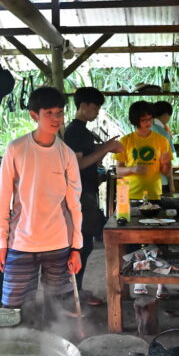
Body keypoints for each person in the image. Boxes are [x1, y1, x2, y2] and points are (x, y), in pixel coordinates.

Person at [0, 86, 84, 310]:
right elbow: (3, 198)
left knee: (58, 310)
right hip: (21, 242)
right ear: (34, 115)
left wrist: (76, 248)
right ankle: (18, 345)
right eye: (49, 113)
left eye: (60, 113)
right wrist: (0, 243)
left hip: (59, 242)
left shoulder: (67, 154)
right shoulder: (16, 149)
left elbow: (74, 204)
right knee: (14, 308)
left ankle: (55, 346)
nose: (56, 119)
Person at [62, 87, 123, 306]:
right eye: (95, 107)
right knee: (82, 244)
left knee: (84, 244)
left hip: (86, 191)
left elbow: (88, 158)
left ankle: (76, 290)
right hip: (79, 195)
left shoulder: (82, 131)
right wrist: (106, 148)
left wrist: (103, 151)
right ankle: (71, 294)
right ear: (84, 106)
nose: (97, 112)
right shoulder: (75, 131)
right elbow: (78, 164)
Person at [114, 100, 172, 298]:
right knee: (134, 240)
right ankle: (139, 279)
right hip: (130, 196)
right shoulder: (126, 141)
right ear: (135, 121)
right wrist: (133, 169)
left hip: (154, 194)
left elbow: (166, 169)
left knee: (158, 239)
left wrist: (165, 166)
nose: (147, 123)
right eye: (143, 120)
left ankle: (161, 282)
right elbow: (118, 170)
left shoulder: (161, 140)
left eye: (149, 119)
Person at [150, 100, 176, 193]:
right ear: (166, 115)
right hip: (161, 181)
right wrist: (172, 185)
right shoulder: (164, 133)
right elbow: (168, 162)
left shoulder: (141, 130)